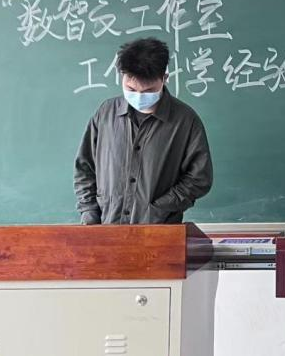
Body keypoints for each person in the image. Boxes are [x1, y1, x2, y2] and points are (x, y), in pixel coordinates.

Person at [74, 37, 214, 224]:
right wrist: (89, 211)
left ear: (164, 78)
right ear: (122, 76)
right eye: (131, 89)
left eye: (148, 91)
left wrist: (159, 208)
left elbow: (199, 178)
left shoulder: (185, 121)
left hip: (159, 232)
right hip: (106, 229)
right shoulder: (106, 114)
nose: (139, 96)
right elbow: (85, 167)